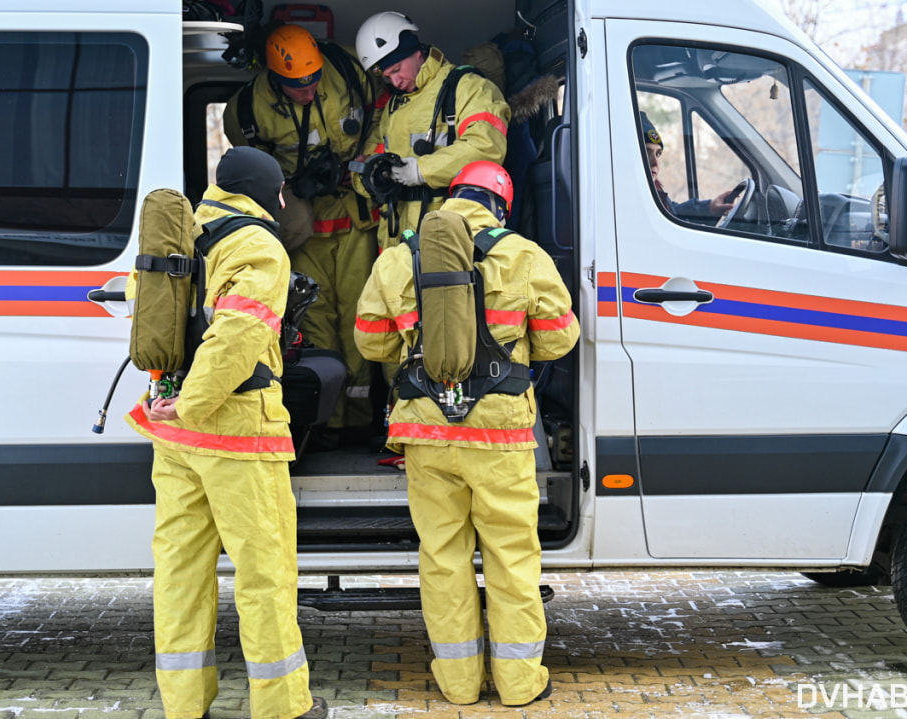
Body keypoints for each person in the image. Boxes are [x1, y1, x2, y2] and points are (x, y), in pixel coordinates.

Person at [354, 161, 580, 706]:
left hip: (425, 433)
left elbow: (369, 341)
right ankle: (520, 684)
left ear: (451, 197)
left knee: (442, 555)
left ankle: (457, 684)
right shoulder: (524, 255)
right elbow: (560, 338)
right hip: (500, 437)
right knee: (511, 556)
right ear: (499, 206)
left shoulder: (397, 257)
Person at [126, 146, 326, 719]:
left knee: (181, 572)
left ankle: (185, 706)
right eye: (282, 192)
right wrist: (194, 403)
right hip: (234, 430)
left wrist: (176, 402)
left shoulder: (185, 232)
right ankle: (283, 707)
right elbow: (238, 334)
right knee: (265, 573)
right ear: (270, 192)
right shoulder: (259, 246)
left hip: (172, 434)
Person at [223, 23, 381, 447]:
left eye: (313, 79)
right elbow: (252, 174)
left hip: (353, 220)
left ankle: (361, 421)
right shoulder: (247, 112)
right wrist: (293, 186)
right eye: (297, 85)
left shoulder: (349, 70)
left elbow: (386, 108)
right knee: (315, 324)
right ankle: (327, 423)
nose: (309, 90)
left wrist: (367, 161)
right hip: (303, 232)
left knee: (359, 322)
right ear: (275, 78)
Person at [352, 11, 511, 250]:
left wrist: (421, 170)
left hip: (446, 233)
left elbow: (486, 147)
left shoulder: (467, 87)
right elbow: (371, 158)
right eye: (387, 76)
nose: (395, 82)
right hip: (395, 240)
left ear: (416, 52)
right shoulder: (394, 107)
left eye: (396, 69)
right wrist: (367, 177)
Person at [641, 111, 738, 221]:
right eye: (646, 152)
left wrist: (709, 208)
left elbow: (674, 211)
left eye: (658, 154)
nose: (655, 163)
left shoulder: (652, 192)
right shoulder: (631, 199)